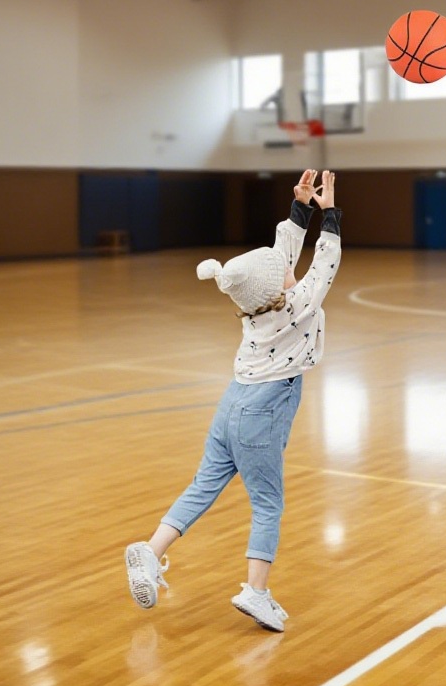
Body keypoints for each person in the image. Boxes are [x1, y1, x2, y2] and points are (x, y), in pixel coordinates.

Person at [124, 169, 340, 632]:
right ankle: (255, 591)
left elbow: (282, 254)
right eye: (283, 270)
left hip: (233, 403)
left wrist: (299, 207)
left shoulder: (257, 303)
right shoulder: (297, 304)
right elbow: (325, 261)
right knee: (268, 504)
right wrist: (328, 214)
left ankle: (151, 551)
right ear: (280, 287)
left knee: (204, 484)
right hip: (263, 411)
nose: (288, 265)